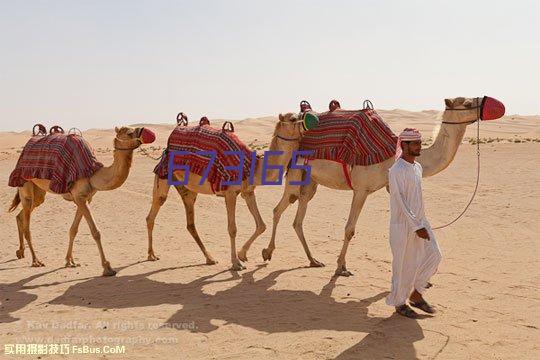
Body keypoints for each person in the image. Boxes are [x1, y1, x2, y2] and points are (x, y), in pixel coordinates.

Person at [386, 128, 442, 318]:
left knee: (434, 255)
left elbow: (416, 199)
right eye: (415, 143)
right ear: (404, 145)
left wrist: (421, 223)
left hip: (420, 223)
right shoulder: (396, 170)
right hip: (402, 227)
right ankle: (400, 303)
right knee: (403, 266)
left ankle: (416, 293)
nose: (419, 146)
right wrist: (416, 226)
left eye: (420, 142)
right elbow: (401, 202)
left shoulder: (417, 168)